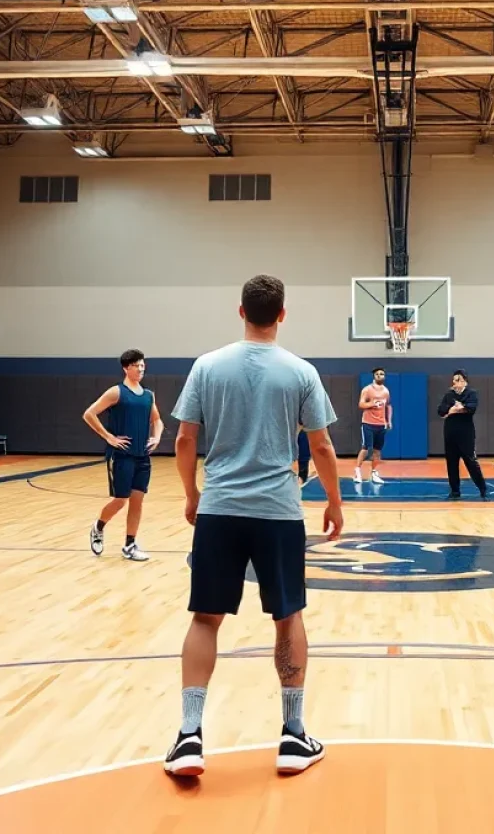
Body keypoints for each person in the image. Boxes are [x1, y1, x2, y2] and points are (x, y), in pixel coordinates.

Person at [166, 274, 343, 779]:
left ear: (240, 311)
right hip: (278, 511)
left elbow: (184, 441)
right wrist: (334, 501)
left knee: (205, 617)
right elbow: (322, 447)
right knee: (287, 617)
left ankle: (188, 737)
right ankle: (293, 736)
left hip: (219, 508)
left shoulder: (207, 366)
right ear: (282, 314)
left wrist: (192, 494)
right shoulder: (301, 372)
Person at [84, 349, 163, 562]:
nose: (141, 368)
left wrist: (156, 437)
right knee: (121, 500)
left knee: (137, 501)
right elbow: (89, 414)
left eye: (143, 365)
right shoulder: (116, 392)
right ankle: (98, 527)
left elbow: (157, 420)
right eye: (137, 365)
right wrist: (109, 437)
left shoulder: (148, 396)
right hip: (121, 456)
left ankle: (130, 544)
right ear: (126, 368)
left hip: (142, 457)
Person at [438, 370, 487, 501]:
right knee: (451, 463)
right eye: (454, 380)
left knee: (470, 461)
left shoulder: (471, 393)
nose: (455, 382)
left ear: (464, 380)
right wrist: (451, 410)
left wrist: (458, 409)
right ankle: (455, 491)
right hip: (450, 433)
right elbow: (441, 410)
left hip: (466, 434)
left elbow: (471, 408)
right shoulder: (449, 394)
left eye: (457, 380)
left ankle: (482, 488)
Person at [354, 367, 391, 485]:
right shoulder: (367, 390)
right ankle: (357, 471)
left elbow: (388, 406)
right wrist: (371, 403)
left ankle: (374, 473)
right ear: (374, 376)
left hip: (381, 424)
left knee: (377, 451)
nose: (380, 376)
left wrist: (388, 420)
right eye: (377, 374)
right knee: (365, 448)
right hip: (368, 423)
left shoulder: (386, 391)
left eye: (382, 374)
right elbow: (361, 404)